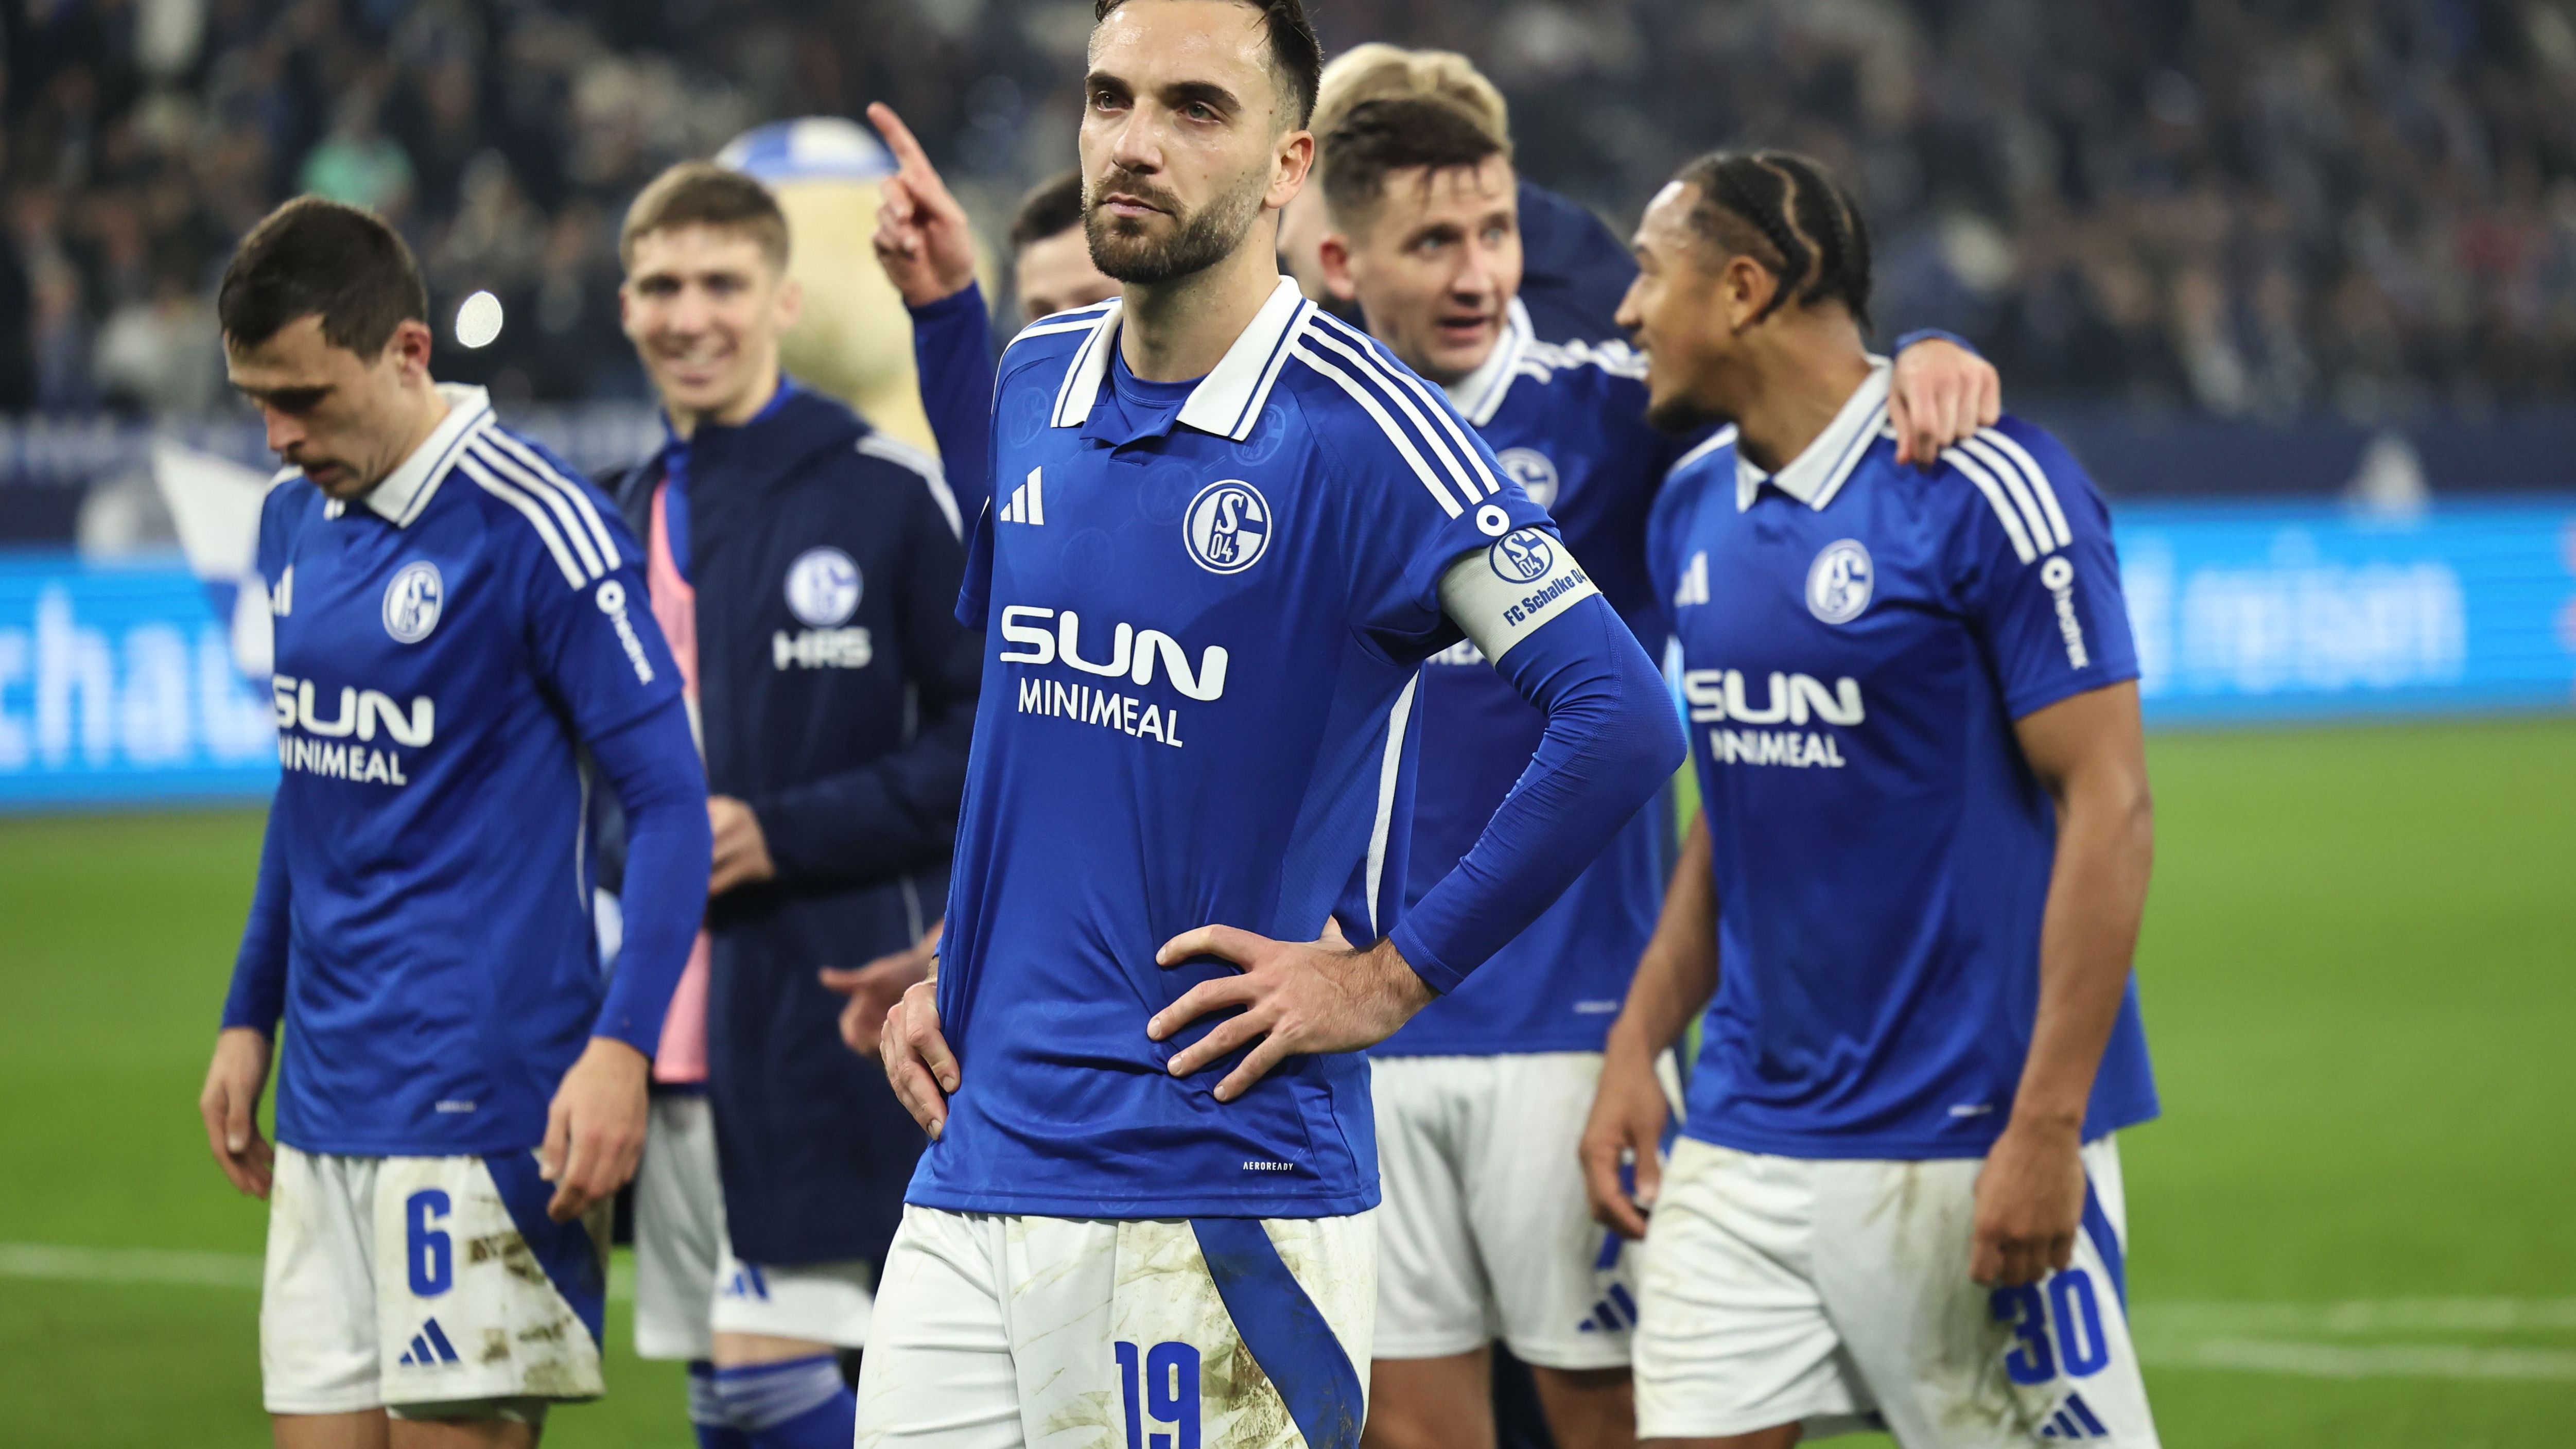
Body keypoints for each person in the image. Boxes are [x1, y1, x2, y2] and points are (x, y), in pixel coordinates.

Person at [856, 3, 1685, 1447]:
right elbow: (1034, 723)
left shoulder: (1371, 431)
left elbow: (1615, 716)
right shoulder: (1035, 376)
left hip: (1213, 1187)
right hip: (971, 1168)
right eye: (1109, 99)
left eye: (1193, 109)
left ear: (1287, 163)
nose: (1132, 142)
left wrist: (1385, 979)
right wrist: (960, 961)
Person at [1307, 93, 2003, 1449]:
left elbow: (1803, 384)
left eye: (1495, 231)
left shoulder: (1611, 416)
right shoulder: (1307, 443)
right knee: (1406, 1431)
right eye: (1433, 240)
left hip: (1568, 1033)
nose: (1476, 273)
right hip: (1357, 1031)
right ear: (1342, 264)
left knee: (1613, 1421)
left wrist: (1920, 350)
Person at [1582, 151, 2162, 1448]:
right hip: (1743, 1136)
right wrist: (1638, 1043)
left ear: (1741, 288)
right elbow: (1737, 813)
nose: (1628, 311)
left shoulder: (1986, 489)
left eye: (1647, 273)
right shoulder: (1688, 509)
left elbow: (2110, 809)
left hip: (1968, 1135)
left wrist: (2047, 1126)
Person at [197, 197, 711, 1447]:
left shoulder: (533, 521)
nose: (277, 436)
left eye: (306, 398)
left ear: (408, 352)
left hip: (484, 1106)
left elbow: (671, 801)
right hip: (325, 1106)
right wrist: (247, 1012)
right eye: (257, 400)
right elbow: (309, 785)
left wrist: (622, 1047)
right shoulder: (291, 521)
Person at [601, 163, 982, 1449]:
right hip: (668, 1035)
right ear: (626, 306)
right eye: (662, 285)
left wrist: (783, 830)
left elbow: (989, 739)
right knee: (724, 1388)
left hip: (827, 1013)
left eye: (721, 283)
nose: (690, 314)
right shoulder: (624, 510)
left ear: (782, 301)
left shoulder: (879, 491)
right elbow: (595, 774)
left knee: (783, 1381)